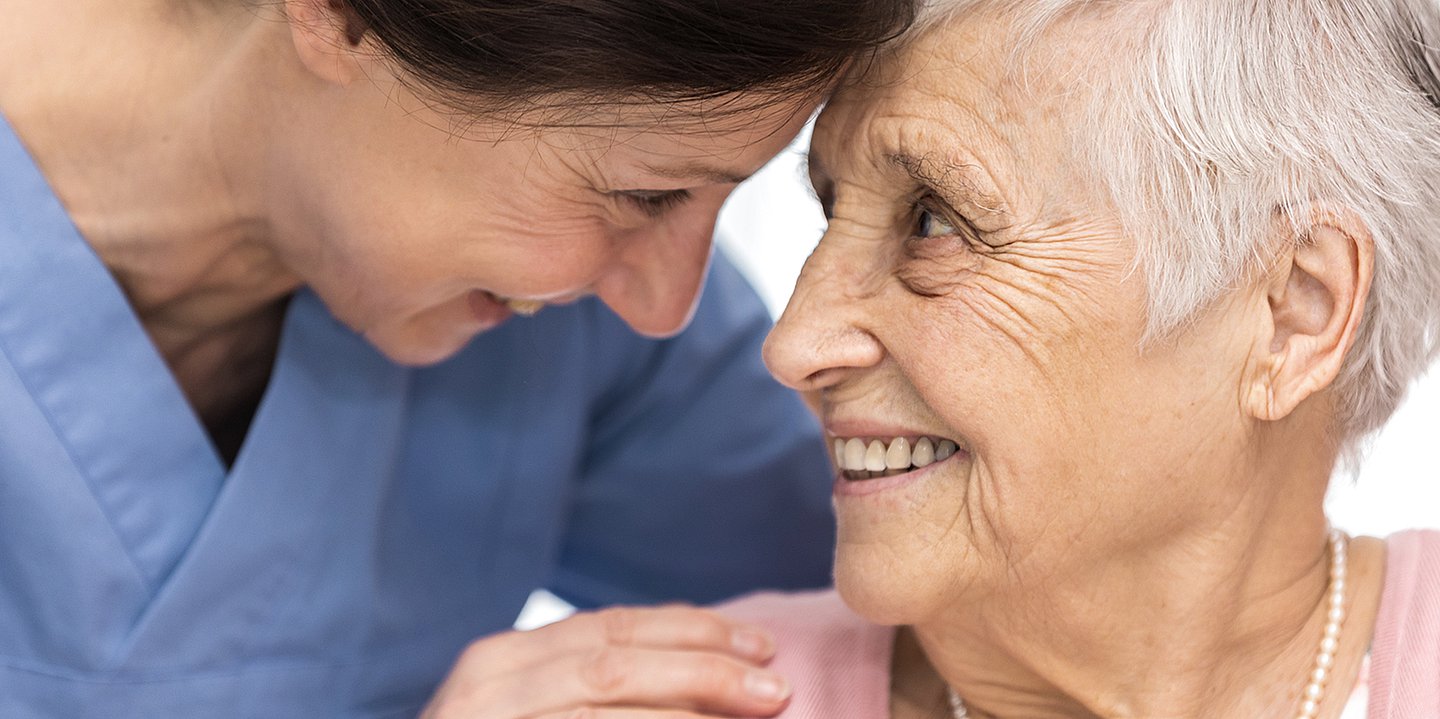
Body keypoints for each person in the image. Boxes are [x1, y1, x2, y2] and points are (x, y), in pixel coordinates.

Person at [0, 0, 915, 716]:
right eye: (647, 192)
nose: (666, 306)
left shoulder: (573, 328)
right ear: (345, 17)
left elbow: (963, 608)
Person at [717, 0, 1440, 717]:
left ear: (1292, 313)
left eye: (935, 221)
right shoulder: (701, 689)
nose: (794, 344)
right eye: (830, 207)